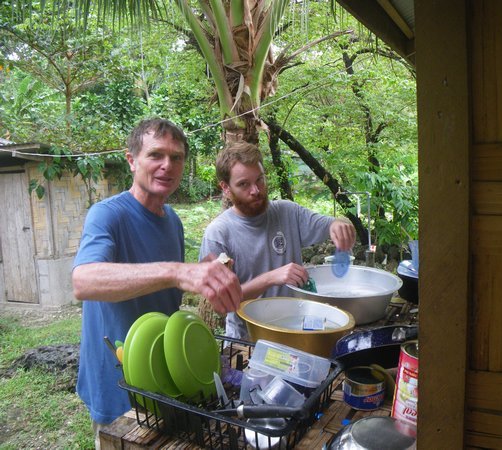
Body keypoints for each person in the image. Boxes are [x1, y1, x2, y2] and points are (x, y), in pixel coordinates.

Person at [71, 118, 242, 447]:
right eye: (156, 155)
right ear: (132, 160)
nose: (168, 165)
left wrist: (198, 269)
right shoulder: (107, 214)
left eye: (177, 157)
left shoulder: (172, 221)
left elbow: (162, 288)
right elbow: (84, 280)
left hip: (166, 377)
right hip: (119, 383)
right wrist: (179, 271)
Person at [199, 141, 355, 340]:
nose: (256, 190)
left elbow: (332, 224)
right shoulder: (218, 234)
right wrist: (270, 278)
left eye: (260, 180)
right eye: (243, 184)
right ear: (226, 188)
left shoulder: (287, 212)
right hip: (249, 340)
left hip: (296, 330)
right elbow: (218, 302)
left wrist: (340, 224)